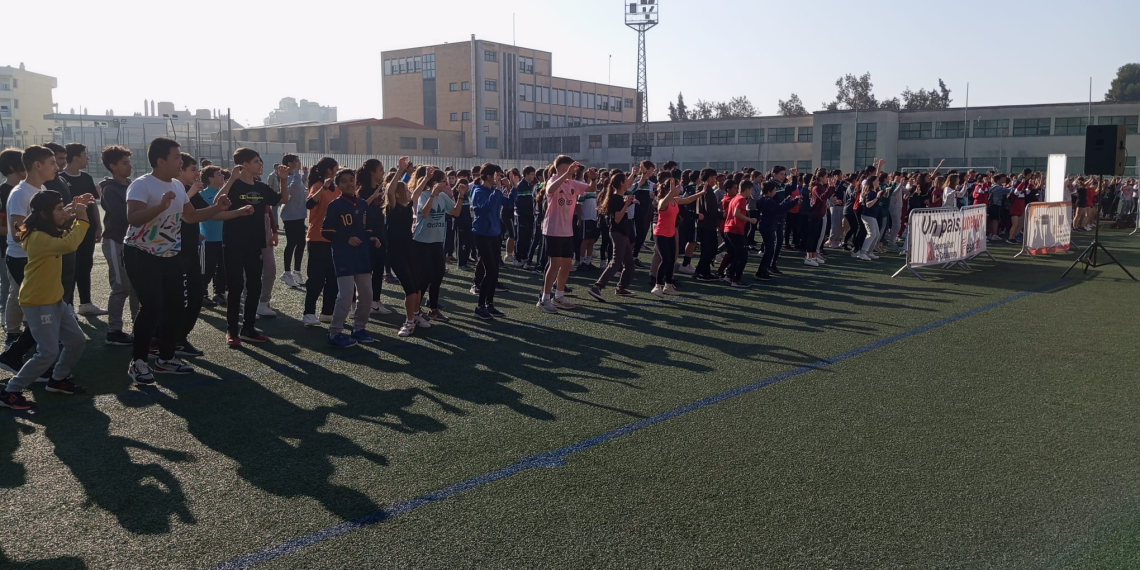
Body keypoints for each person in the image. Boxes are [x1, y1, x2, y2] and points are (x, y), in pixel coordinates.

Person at [123, 138, 231, 384]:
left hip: (170, 254)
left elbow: (190, 217)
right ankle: (138, 362)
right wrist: (161, 205)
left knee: (175, 305)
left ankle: (166, 358)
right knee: (152, 306)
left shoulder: (177, 185)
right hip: (141, 253)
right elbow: (133, 217)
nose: (180, 161)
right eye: (176, 157)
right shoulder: (142, 185)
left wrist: (217, 207)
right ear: (160, 160)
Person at [0, 191, 95, 410]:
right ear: (44, 214)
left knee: (76, 341)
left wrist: (71, 209)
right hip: (38, 302)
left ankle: (57, 379)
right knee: (48, 351)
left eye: (63, 208)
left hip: (54, 299)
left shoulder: (44, 231)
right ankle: (10, 391)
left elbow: (63, 233)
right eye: (59, 209)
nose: (64, 212)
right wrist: (82, 217)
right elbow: (70, 244)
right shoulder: (39, 238)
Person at [216, 148, 289, 348]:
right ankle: (232, 330)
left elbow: (283, 200)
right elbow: (217, 203)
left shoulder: (262, 188)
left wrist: (283, 179)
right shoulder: (233, 185)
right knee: (235, 286)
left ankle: (248, 329)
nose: (260, 165)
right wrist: (231, 179)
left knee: (254, 285)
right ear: (245, 165)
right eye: (256, 162)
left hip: (255, 244)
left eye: (260, 161)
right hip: (233, 244)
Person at [0, 146, 57, 376]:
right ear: (37, 165)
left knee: (50, 311)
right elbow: (17, 233)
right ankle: (19, 357)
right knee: (44, 313)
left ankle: (26, 357)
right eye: (52, 162)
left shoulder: (41, 189)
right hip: (23, 259)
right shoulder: (21, 193)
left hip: (37, 258)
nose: (56, 167)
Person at [321, 168, 377, 348]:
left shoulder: (362, 204)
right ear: (338, 186)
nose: (349, 183)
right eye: (343, 181)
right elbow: (326, 232)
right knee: (345, 296)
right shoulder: (335, 205)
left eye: (351, 180)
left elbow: (366, 229)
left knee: (367, 295)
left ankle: (359, 329)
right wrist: (346, 239)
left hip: (362, 256)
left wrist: (372, 239)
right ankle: (334, 332)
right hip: (343, 256)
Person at [537, 156, 597, 314]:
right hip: (553, 230)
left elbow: (591, 189)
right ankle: (544, 299)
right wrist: (565, 174)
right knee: (554, 264)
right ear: (564, 168)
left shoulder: (572, 183)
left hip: (567, 231)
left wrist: (593, 179)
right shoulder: (553, 180)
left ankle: (559, 295)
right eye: (571, 168)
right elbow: (550, 190)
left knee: (566, 265)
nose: (575, 171)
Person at [97, 146, 139, 345]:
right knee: (121, 287)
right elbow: (123, 216)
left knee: (137, 287)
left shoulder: (132, 184)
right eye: (125, 163)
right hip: (116, 242)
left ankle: (139, 327)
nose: (129, 166)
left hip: (134, 242)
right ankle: (114, 331)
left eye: (129, 162)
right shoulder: (110, 189)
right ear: (112, 166)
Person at [59, 143, 106, 316]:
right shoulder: (60, 179)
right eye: (84, 154)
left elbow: (93, 204)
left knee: (86, 265)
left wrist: (98, 226)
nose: (87, 158)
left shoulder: (86, 177)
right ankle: (68, 305)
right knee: (69, 268)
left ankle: (86, 303)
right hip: (68, 232)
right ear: (75, 157)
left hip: (87, 229)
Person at [412, 166, 462, 322]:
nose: (446, 185)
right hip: (422, 242)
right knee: (424, 277)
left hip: (437, 242)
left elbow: (455, 212)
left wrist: (461, 195)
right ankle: (415, 310)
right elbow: (425, 213)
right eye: (443, 182)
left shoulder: (443, 197)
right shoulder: (424, 195)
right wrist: (432, 195)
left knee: (438, 274)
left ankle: (433, 309)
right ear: (435, 183)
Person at [384, 158, 426, 337]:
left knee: (417, 286)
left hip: (410, 249)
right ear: (400, 194)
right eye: (406, 191)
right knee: (409, 287)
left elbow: (416, 192)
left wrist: (427, 178)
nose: (409, 192)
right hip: (396, 252)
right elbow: (390, 191)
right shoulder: (393, 207)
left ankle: (416, 315)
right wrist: (400, 171)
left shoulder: (408, 206)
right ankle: (409, 321)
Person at [649, 169, 704, 297]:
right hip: (661, 234)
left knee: (671, 260)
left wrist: (702, 192)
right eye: (677, 186)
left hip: (671, 233)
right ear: (670, 189)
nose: (680, 188)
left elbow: (689, 199)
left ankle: (668, 285)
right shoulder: (662, 201)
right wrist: (671, 192)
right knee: (665, 259)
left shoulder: (675, 200)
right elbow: (664, 201)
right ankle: (658, 285)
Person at [588, 170, 639, 301]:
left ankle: (621, 287)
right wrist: (627, 204)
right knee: (616, 261)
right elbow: (617, 218)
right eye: (626, 180)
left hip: (622, 232)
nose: (629, 182)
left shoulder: (619, 196)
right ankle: (597, 286)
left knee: (629, 263)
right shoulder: (617, 198)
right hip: (618, 232)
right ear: (621, 183)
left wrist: (629, 201)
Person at [302, 157, 340, 326]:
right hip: (317, 238)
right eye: (336, 168)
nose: (338, 170)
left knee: (333, 278)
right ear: (329, 170)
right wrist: (323, 187)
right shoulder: (317, 186)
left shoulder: (337, 190)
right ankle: (308, 313)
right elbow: (309, 204)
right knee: (316, 278)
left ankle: (327, 312)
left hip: (335, 240)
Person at [470, 164, 509, 319]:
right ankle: (480, 306)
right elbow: (485, 207)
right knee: (490, 270)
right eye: (496, 175)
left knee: (495, 270)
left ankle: (489, 304)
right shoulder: (478, 191)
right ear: (487, 176)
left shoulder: (494, 191)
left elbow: (509, 203)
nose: (498, 178)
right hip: (482, 234)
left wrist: (512, 187)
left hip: (494, 234)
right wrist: (498, 191)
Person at [356, 158, 393, 315]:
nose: (383, 172)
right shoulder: (362, 191)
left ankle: (375, 301)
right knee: (365, 271)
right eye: (380, 169)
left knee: (378, 268)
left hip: (380, 232)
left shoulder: (380, 187)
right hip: (367, 235)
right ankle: (363, 301)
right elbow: (360, 210)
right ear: (372, 172)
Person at [0, 149, 25, 345]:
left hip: (31, 249)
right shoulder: (4, 192)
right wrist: (17, 232)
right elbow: (12, 229)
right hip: (8, 251)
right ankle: (12, 331)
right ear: (11, 167)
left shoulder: (31, 188)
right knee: (13, 290)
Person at [198, 166, 227, 305]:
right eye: (218, 174)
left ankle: (219, 293)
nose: (222, 176)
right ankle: (202, 294)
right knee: (207, 268)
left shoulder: (226, 193)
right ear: (210, 178)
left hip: (224, 238)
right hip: (208, 239)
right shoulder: (202, 195)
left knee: (223, 267)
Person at [277, 154, 307, 289]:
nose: (299, 163)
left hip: (299, 215)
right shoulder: (288, 178)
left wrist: (304, 175)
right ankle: (287, 272)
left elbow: (301, 188)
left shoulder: (297, 176)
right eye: (296, 161)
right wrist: (296, 173)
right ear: (290, 164)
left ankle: (297, 271)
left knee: (301, 243)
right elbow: (293, 190)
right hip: (290, 216)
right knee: (292, 243)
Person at [723, 180, 755, 288]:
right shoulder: (741, 199)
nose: (751, 192)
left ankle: (729, 275)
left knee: (736, 254)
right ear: (747, 189)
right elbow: (736, 214)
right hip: (735, 229)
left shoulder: (735, 198)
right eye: (751, 190)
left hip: (729, 228)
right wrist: (750, 219)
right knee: (742, 256)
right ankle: (736, 279)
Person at [513, 166, 536, 268]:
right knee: (521, 237)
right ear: (526, 174)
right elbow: (519, 202)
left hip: (530, 216)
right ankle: (517, 258)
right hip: (522, 215)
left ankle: (524, 256)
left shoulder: (530, 185)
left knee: (528, 237)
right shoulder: (521, 186)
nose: (533, 176)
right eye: (532, 174)